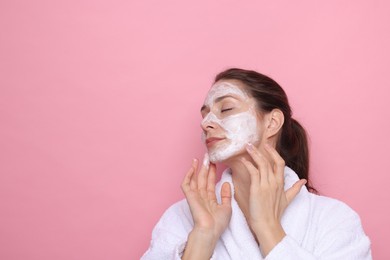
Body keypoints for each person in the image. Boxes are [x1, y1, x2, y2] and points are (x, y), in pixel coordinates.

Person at [141, 68, 372, 259]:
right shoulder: (183, 216)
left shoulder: (334, 219)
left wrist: (268, 229)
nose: (206, 123)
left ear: (272, 123)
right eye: (205, 115)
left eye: (227, 108)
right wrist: (202, 239)